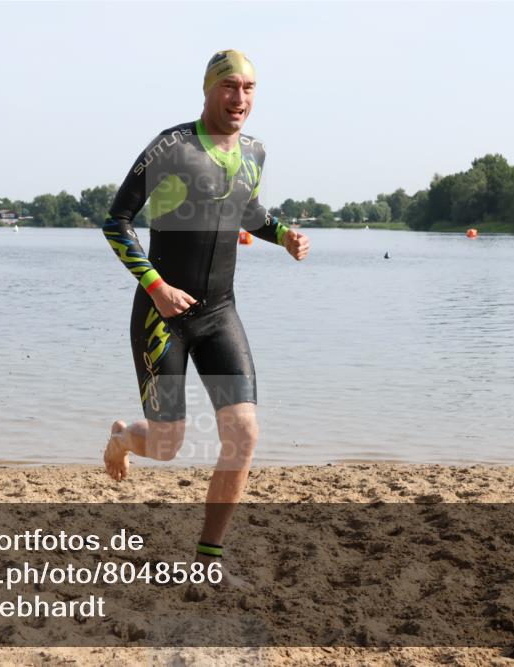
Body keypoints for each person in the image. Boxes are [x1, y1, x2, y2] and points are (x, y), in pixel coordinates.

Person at [101, 50, 310, 582]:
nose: (239, 98)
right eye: (229, 87)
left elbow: (249, 210)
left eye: (249, 88)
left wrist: (282, 233)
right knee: (167, 447)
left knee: (244, 432)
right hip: (161, 314)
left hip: (220, 313)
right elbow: (116, 222)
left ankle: (208, 560)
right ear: (208, 89)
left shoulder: (256, 152)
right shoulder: (172, 146)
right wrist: (157, 287)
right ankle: (126, 436)